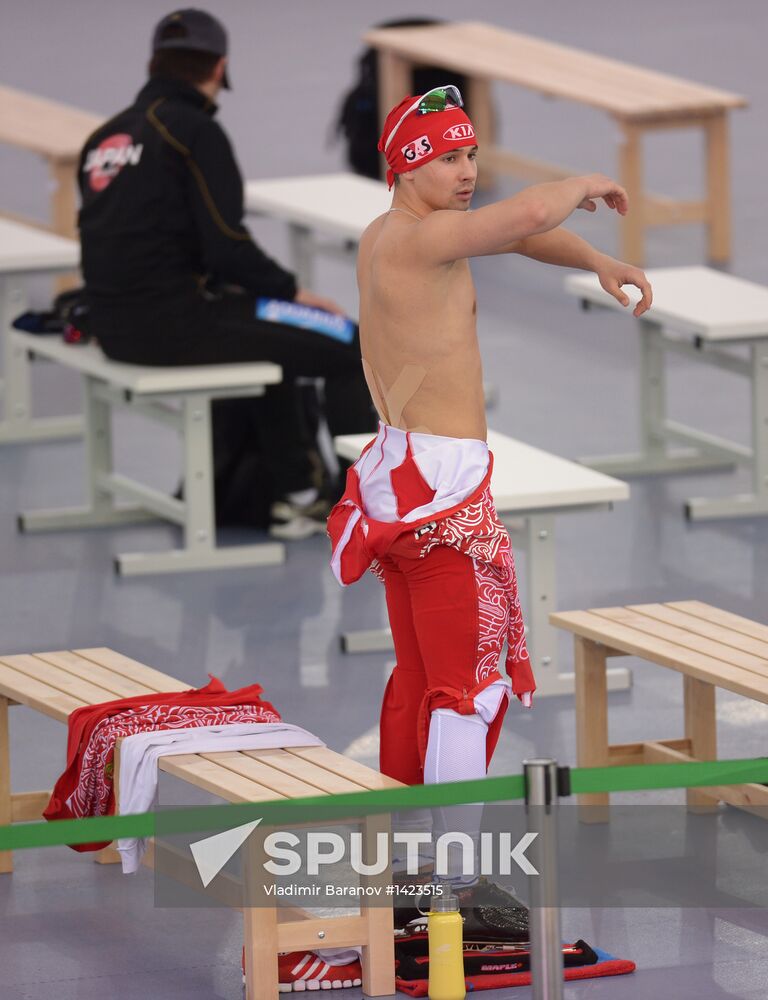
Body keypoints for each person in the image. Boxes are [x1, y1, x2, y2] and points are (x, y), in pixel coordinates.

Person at [328, 85, 652, 936]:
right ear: (405, 163)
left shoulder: (392, 237)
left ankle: (412, 871)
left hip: (402, 486)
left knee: (421, 682)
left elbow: (521, 235)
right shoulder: (427, 239)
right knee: (466, 695)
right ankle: (456, 894)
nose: (468, 171)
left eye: (473, 156)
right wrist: (582, 180)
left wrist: (594, 259)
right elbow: (519, 216)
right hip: (443, 508)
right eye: (449, 158)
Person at [77, 8, 376, 538]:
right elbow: (227, 246)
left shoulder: (104, 138)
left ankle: (297, 492)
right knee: (348, 340)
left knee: (276, 339)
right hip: (180, 323)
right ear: (220, 67)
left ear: (153, 64)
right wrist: (296, 293)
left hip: (112, 327)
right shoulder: (195, 132)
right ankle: (358, 511)